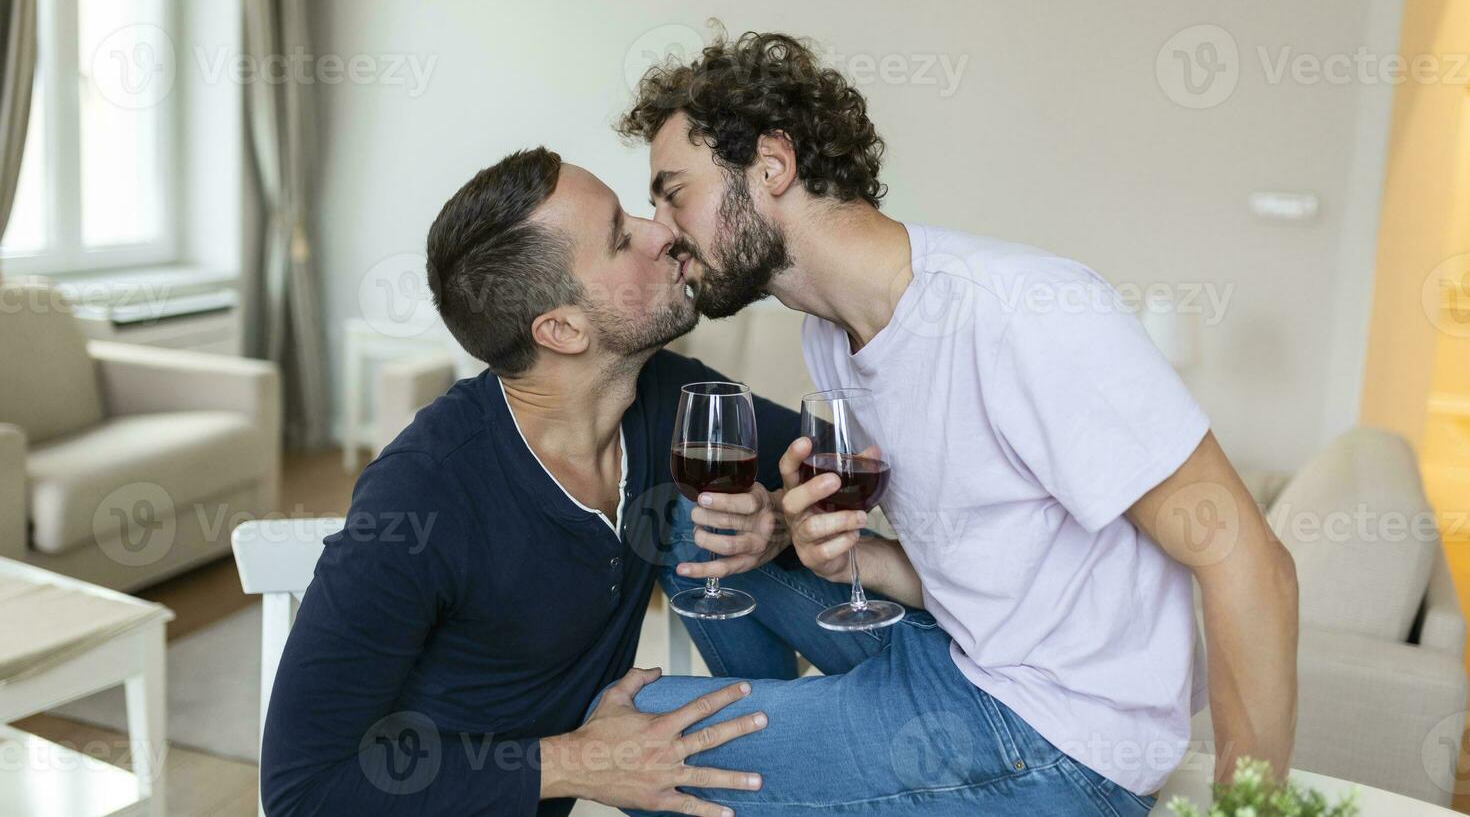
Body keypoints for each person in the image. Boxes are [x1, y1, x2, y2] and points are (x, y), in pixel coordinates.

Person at [617, 29, 1301, 810]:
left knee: (638, 737)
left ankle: (796, 778)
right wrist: (813, 545)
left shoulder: (1023, 313)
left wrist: (1254, 808)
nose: (665, 232)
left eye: (673, 192)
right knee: (689, 525)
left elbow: (1252, 563)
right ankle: (801, 782)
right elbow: (978, 570)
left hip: (1057, 737)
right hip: (958, 657)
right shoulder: (830, 336)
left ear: (772, 164)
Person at [259, 147, 1051, 817]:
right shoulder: (421, 497)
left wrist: (777, 515)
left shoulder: (670, 401)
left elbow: (844, 455)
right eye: (619, 238)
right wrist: (570, 765)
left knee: (703, 528)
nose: (662, 231)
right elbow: (300, 785)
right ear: (562, 329)